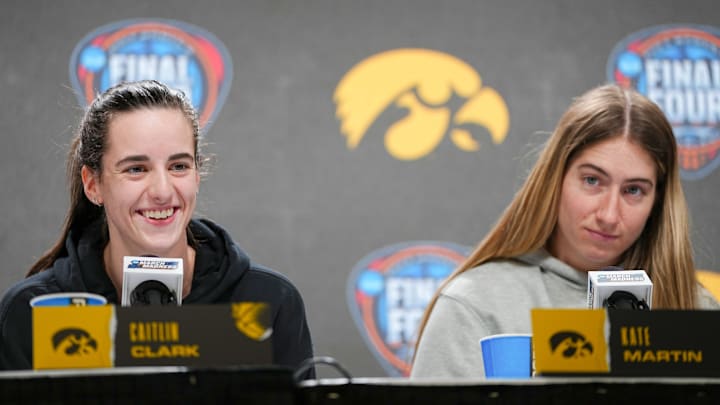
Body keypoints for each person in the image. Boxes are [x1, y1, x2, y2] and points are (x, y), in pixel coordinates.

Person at [0, 80, 315, 376]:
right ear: (93, 184)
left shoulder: (269, 301)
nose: (163, 191)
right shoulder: (32, 312)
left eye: (178, 166)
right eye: (136, 169)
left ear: (196, 174)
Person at [410, 83, 720, 379]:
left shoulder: (696, 312)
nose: (610, 215)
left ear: (658, 201)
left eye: (634, 190)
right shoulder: (476, 305)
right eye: (592, 181)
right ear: (554, 178)